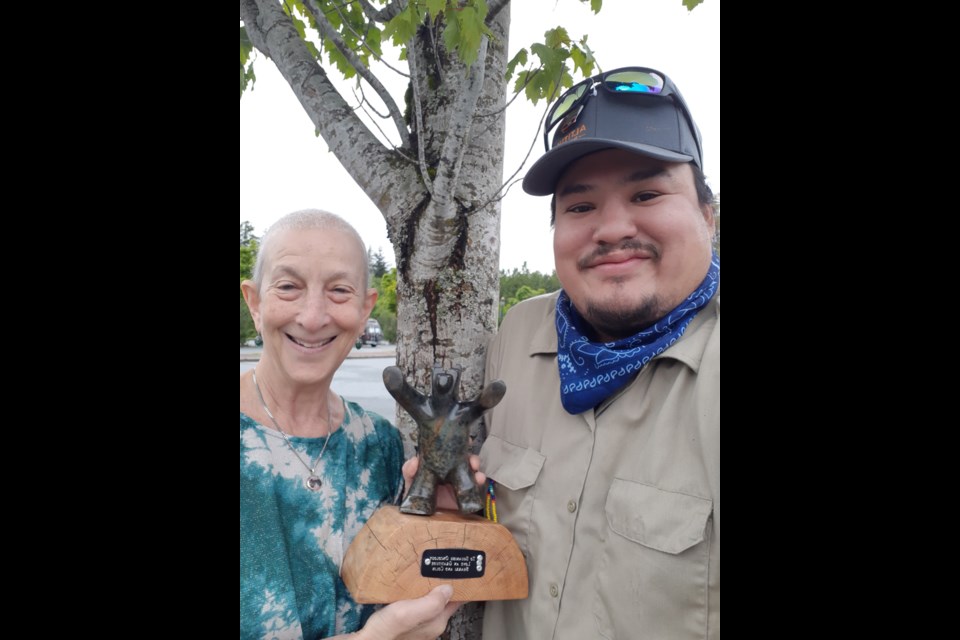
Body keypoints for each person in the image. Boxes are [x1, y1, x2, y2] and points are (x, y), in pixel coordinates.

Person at [479, 67, 720, 639]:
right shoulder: (516, 335)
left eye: (646, 193)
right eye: (581, 207)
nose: (611, 229)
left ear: (708, 215)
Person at [240, 209, 463, 639]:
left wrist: (445, 530)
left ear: (364, 310)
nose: (312, 316)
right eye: (288, 287)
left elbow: (398, 585)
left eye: (339, 291)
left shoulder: (380, 446)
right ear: (254, 302)